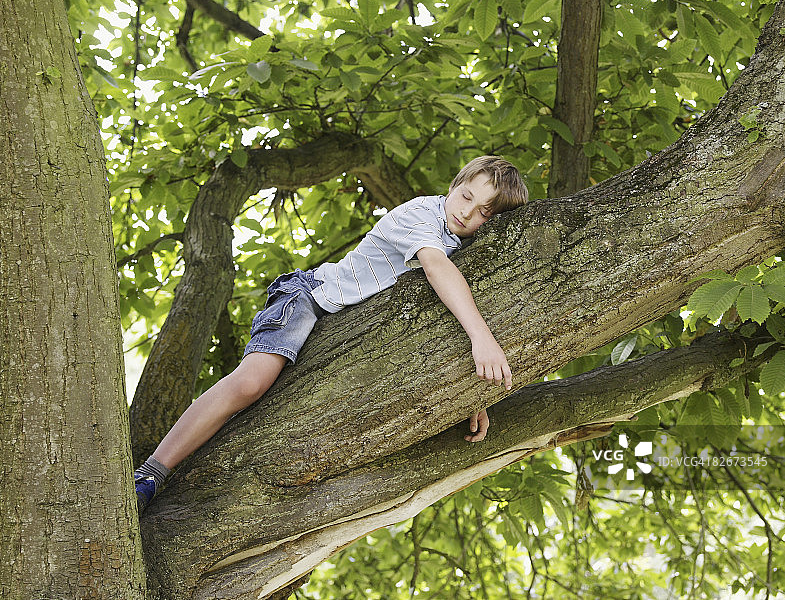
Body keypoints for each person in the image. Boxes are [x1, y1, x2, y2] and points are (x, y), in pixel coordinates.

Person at [134, 155, 529, 512]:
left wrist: (471, 393)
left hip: (341, 327)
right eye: (466, 196)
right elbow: (436, 271)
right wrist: (483, 339)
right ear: (454, 185)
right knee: (251, 384)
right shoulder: (422, 215)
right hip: (309, 298)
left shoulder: (459, 247)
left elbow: (440, 321)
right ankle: (150, 473)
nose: (466, 212)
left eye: (483, 213)